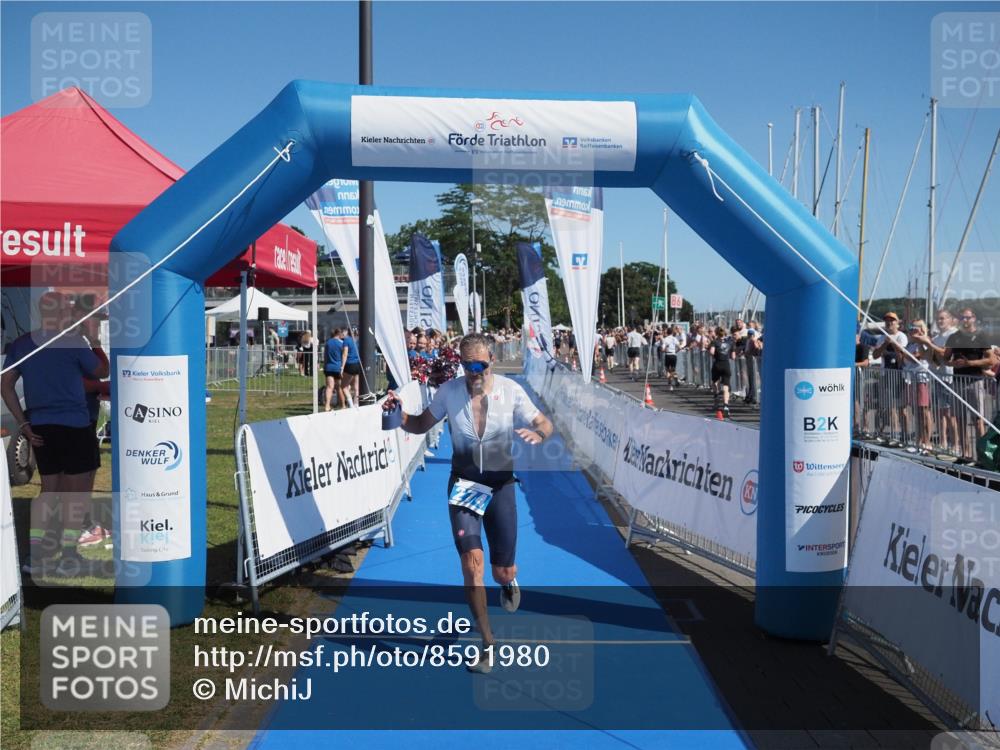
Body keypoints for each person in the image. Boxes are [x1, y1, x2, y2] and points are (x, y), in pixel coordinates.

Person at [388, 333, 554, 674]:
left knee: (500, 570)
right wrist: (400, 415)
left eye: (479, 364)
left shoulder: (511, 391)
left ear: (491, 359)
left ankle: (508, 581)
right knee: (471, 565)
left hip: (501, 486)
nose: (474, 371)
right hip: (464, 485)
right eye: (467, 365)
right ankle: (488, 645)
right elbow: (421, 424)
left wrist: (539, 434)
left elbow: (544, 422)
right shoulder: (449, 391)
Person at [1, 292, 109, 575]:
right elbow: (102, 370)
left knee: (48, 491)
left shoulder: (23, 343)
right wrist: (94, 341)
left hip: (41, 427)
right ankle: (69, 556)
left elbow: (5, 384)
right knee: (75, 496)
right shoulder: (73, 342)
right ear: (61, 312)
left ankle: (35, 557)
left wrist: (23, 424)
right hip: (74, 426)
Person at [945, 308, 995, 463]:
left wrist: (970, 363)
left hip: (975, 381)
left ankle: (981, 456)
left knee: (978, 420)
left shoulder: (981, 336)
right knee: (959, 418)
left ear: (973, 318)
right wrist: (953, 363)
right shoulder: (954, 337)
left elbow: (991, 360)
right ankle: (965, 453)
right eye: (962, 318)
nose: (965, 321)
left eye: (967, 318)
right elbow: (945, 358)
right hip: (958, 381)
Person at [872, 312, 908, 447]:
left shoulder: (901, 336)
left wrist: (893, 343)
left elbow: (903, 357)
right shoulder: (881, 338)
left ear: (897, 323)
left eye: (892, 321)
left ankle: (904, 435)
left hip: (899, 375)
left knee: (901, 408)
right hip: (885, 375)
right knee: (889, 407)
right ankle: (894, 434)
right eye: (887, 320)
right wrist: (883, 345)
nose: (889, 323)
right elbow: (875, 355)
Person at [709, 326, 734, 418]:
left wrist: (715, 354)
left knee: (715, 382)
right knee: (726, 386)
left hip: (717, 364)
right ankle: (726, 406)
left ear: (716, 333)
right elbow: (733, 356)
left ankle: (716, 400)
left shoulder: (714, 342)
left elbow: (712, 352)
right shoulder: (730, 342)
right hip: (726, 365)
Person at [323, 327, 347, 411]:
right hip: (338, 367)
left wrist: (325, 366)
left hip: (329, 367)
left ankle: (327, 406)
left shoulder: (328, 343)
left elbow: (325, 356)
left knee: (329, 387)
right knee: (339, 387)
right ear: (339, 334)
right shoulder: (342, 343)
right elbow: (344, 355)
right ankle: (343, 405)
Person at [341, 327, 362, 406]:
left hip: (350, 364)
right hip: (358, 364)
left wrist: (342, 367)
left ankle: (351, 405)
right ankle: (356, 404)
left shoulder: (347, 340)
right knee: (357, 387)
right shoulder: (359, 340)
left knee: (344, 386)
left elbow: (345, 354)